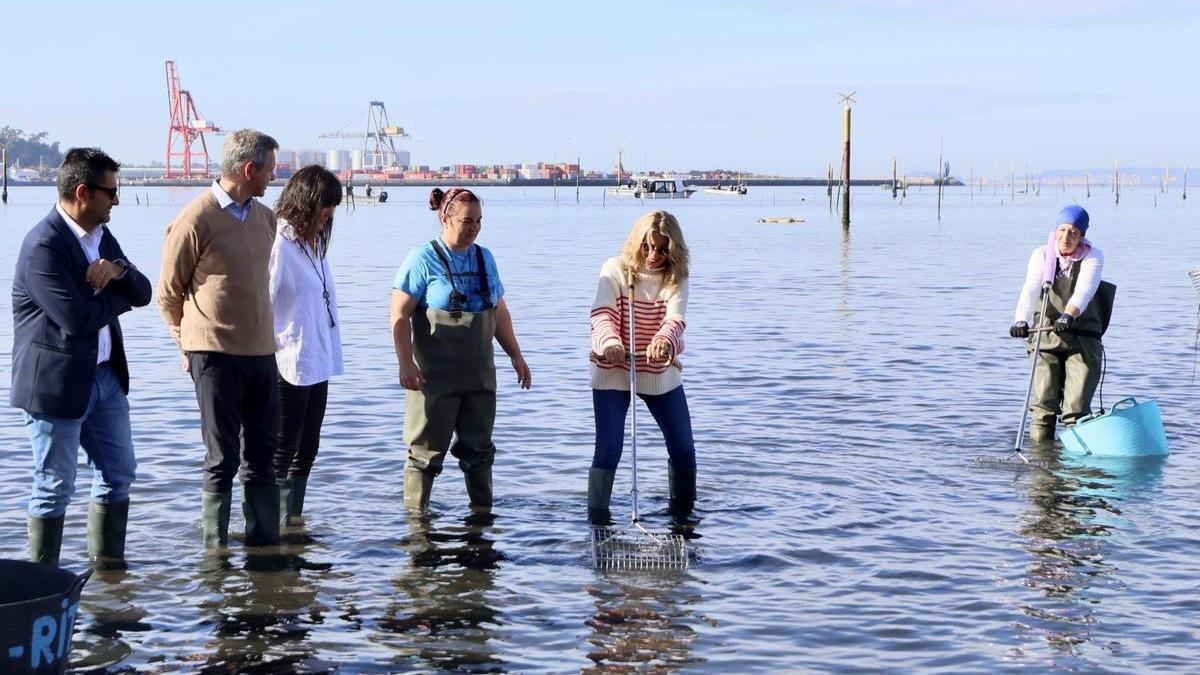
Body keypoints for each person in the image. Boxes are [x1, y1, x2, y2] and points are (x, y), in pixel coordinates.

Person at [11, 148, 152, 566]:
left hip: (105, 380)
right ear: (82, 192)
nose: (117, 199)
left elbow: (143, 292)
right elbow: (77, 319)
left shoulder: (101, 238)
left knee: (120, 472)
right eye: (110, 192)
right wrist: (117, 297)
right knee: (54, 485)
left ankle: (110, 576)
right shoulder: (43, 246)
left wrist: (119, 273)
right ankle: (41, 586)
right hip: (55, 387)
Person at [157, 129, 282, 549]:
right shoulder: (197, 217)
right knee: (222, 458)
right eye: (270, 168)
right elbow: (168, 293)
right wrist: (186, 345)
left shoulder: (266, 219)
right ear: (250, 169)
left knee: (263, 456)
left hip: (263, 353)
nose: (273, 176)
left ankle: (264, 547)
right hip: (214, 355)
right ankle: (216, 553)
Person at [390, 188, 532, 513]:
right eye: (467, 221)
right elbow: (398, 314)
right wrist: (404, 362)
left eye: (479, 221)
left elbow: (499, 312)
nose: (474, 228)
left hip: (478, 380)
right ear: (445, 217)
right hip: (432, 381)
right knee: (424, 455)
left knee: (480, 452)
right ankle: (416, 525)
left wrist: (516, 355)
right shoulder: (422, 259)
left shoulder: (485, 258)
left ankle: (481, 521)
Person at [588, 210, 696, 526]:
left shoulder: (678, 276)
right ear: (637, 242)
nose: (653, 256)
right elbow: (601, 315)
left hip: (658, 370)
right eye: (647, 246)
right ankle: (597, 523)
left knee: (683, 448)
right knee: (609, 449)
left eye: (663, 249)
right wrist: (610, 343)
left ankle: (683, 519)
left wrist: (664, 340)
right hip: (613, 367)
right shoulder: (615, 269)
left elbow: (675, 320)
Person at [269, 166, 344, 529]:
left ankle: (291, 523)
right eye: (325, 206)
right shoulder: (279, 245)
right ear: (305, 202)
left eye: (332, 208)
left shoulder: (313, 244)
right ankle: (267, 529)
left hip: (316, 359)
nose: (329, 215)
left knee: (308, 449)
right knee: (280, 451)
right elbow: (262, 305)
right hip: (285, 362)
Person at [1009, 205, 1107, 440]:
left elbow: (1085, 290)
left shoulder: (1093, 256)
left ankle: (1075, 468)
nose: (1066, 237)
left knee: (1076, 409)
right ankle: (1042, 464)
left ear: (1082, 235)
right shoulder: (1042, 254)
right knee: (1044, 404)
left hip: (1083, 338)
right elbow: (1031, 287)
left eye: (1073, 232)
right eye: (1062, 230)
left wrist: (1068, 315)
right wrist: (1020, 319)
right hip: (1046, 337)